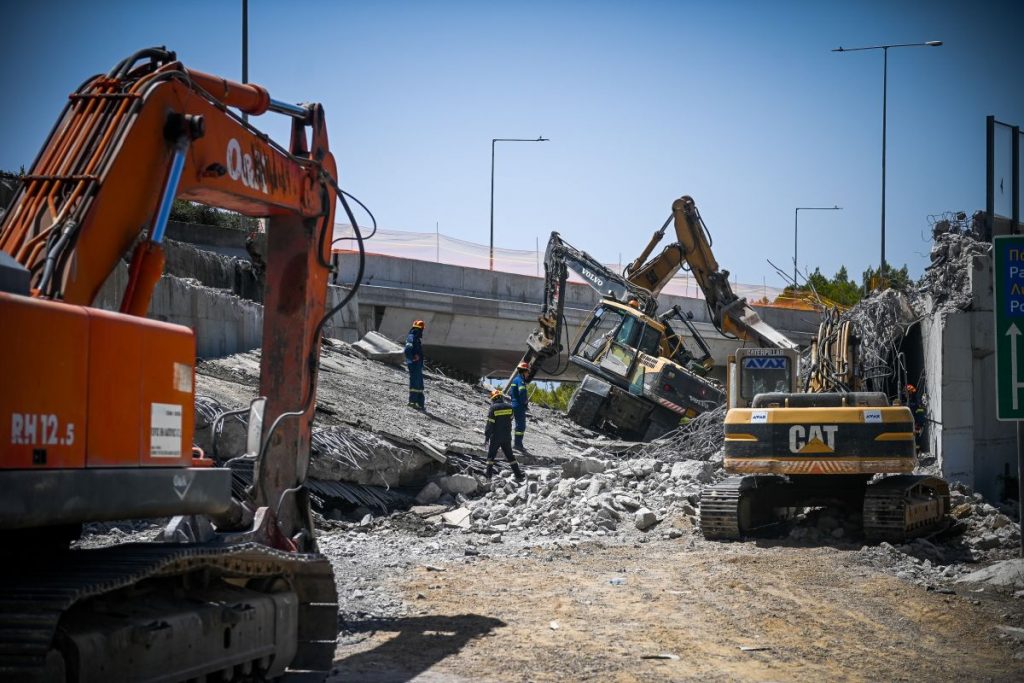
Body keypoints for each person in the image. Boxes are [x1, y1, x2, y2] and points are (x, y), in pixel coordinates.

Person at [484, 388, 524, 481]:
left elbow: (490, 424)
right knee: (511, 457)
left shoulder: (493, 408)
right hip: (507, 437)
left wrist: (487, 437)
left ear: (494, 399)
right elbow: (510, 419)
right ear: (501, 397)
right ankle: (518, 476)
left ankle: (488, 477)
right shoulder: (510, 407)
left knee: (491, 457)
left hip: (496, 437)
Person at [509, 361, 531, 451]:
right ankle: (518, 445)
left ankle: (516, 444)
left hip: (514, 404)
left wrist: (514, 400)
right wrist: (524, 402)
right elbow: (521, 391)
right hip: (519, 405)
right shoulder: (520, 380)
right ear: (524, 371)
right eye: (528, 372)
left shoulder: (515, 380)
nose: (528, 374)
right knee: (521, 426)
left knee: (517, 425)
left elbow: (510, 392)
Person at [405, 320, 426, 409]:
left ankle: (419, 403)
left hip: (418, 364)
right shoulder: (411, 337)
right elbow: (407, 350)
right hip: (414, 364)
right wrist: (413, 357)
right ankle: (412, 402)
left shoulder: (416, 338)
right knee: (415, 383)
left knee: (420, 384)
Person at [906, 384, 925, 448]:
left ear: (910, 392)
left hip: (916, 423)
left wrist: (918, 424)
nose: (905, 395)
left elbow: (919, 412)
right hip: (914, 423)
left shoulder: (915, 401)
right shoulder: (912, 400)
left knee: (916, 439)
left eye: (906, 393)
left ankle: (916, 454)